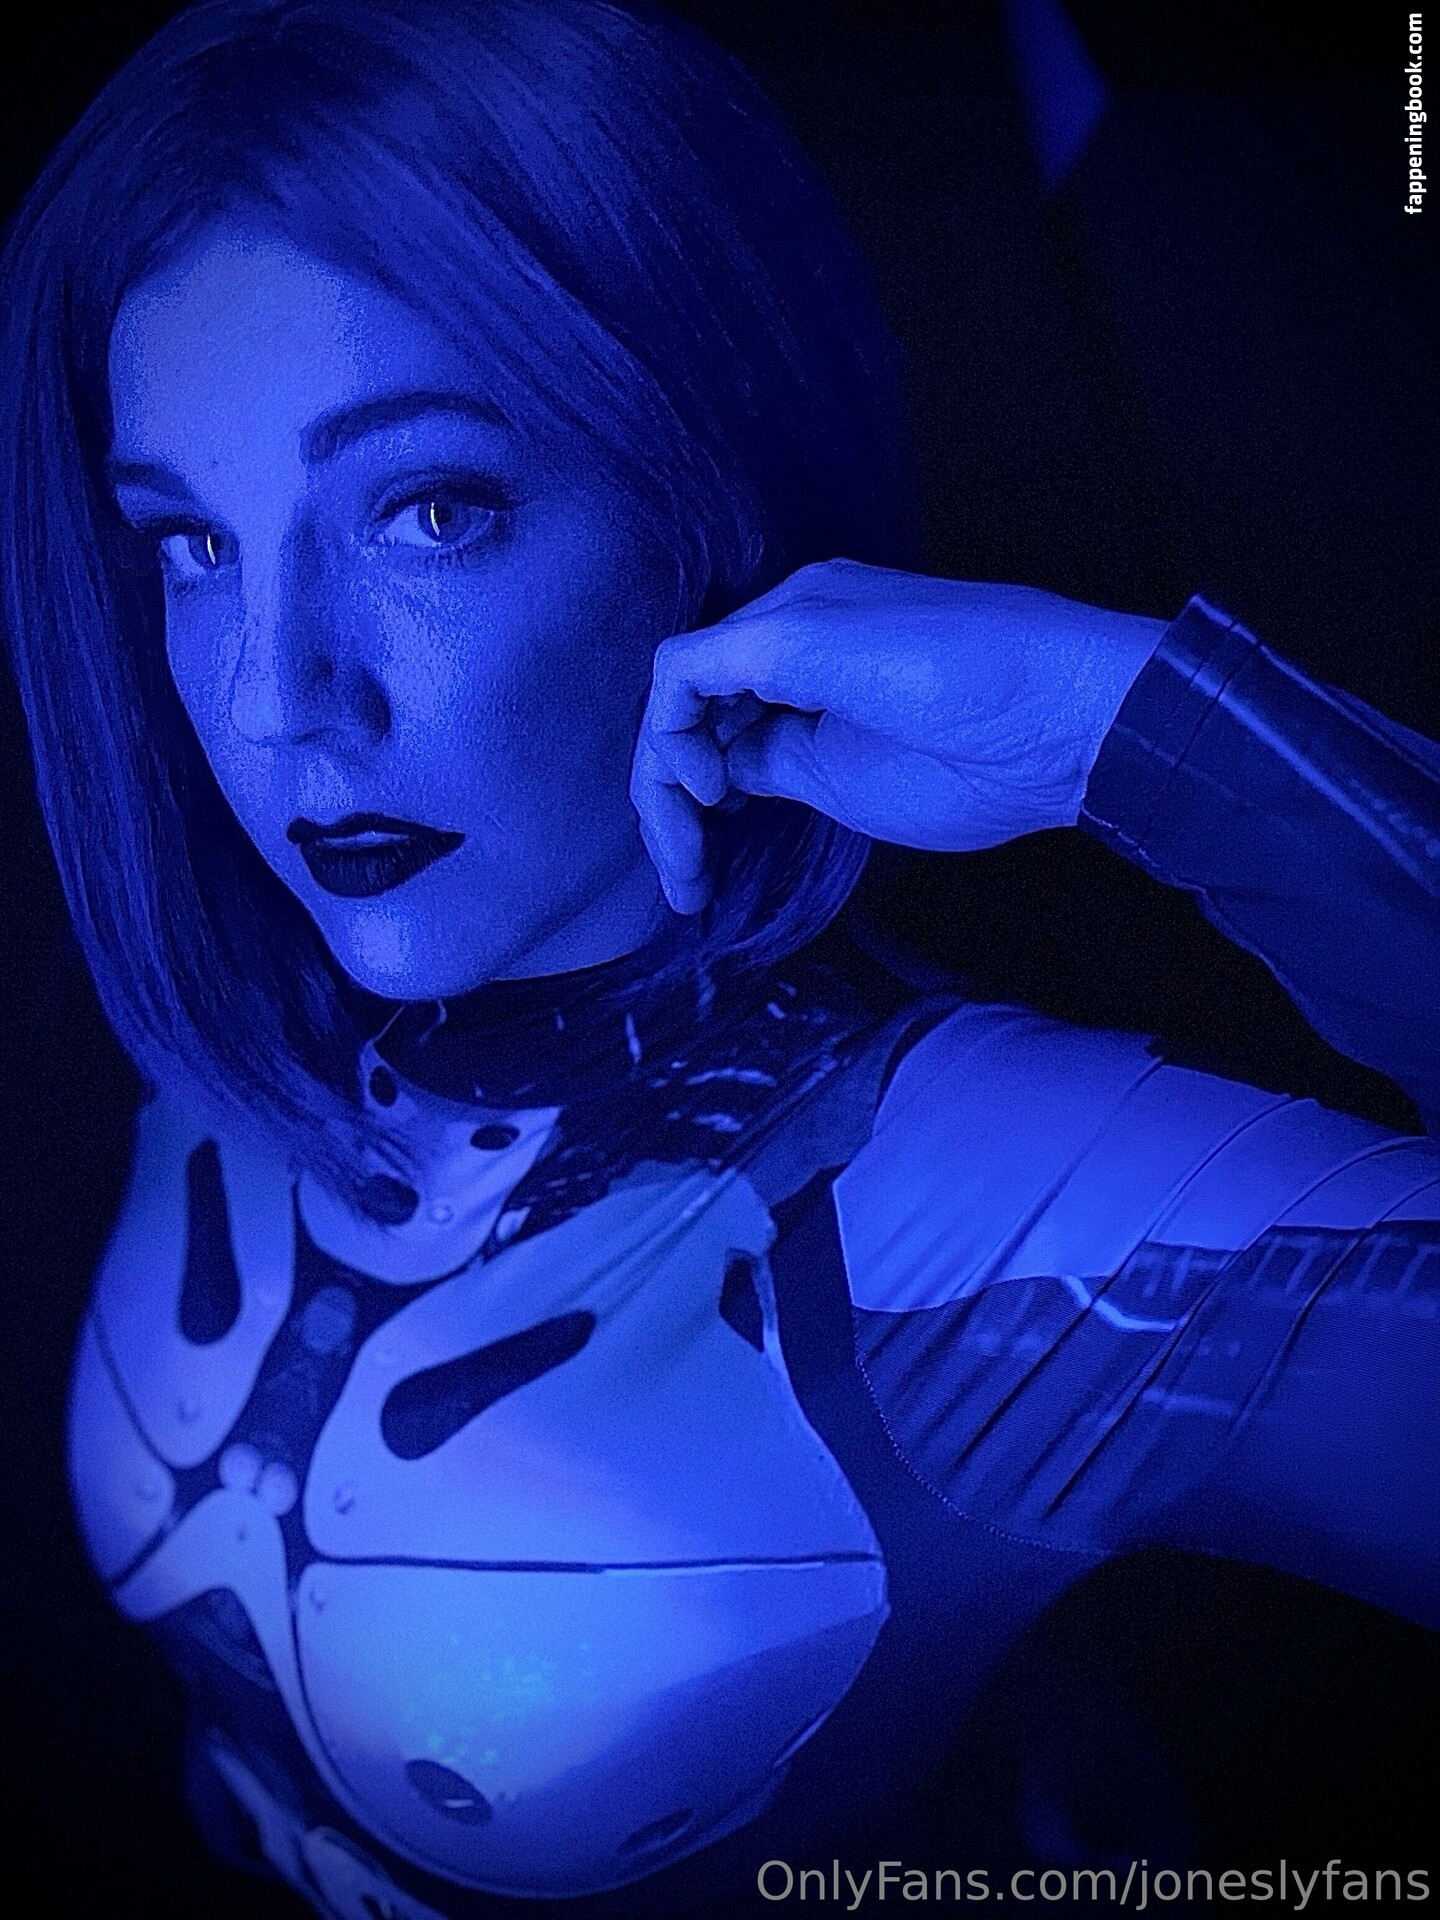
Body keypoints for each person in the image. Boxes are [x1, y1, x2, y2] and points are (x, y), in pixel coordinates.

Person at [1, 1, 1435, 1914]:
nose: (277, 703)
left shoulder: (978, 1211)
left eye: (431, 511)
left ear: (703, 483)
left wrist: (1135, 730)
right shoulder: (238, 1001)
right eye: (189, 545)